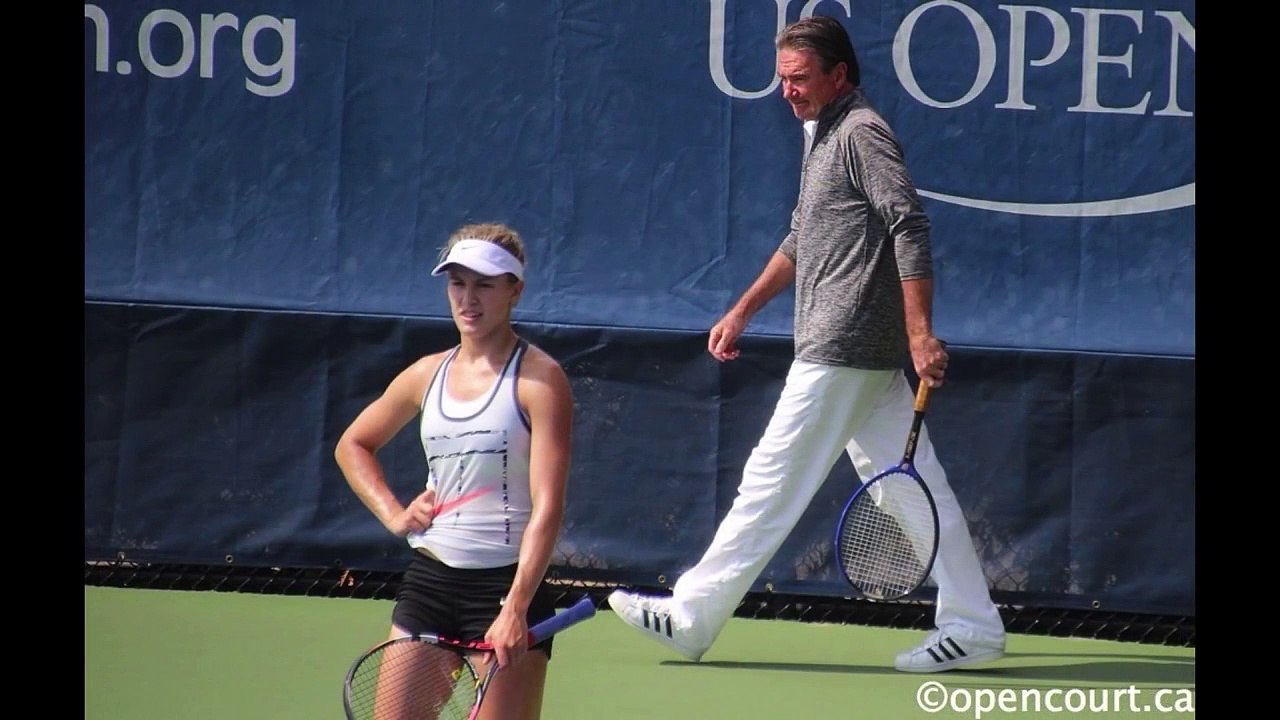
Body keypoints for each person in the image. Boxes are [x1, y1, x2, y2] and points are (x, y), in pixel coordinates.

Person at [607, 16, 1006, 673]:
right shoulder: (821, 133)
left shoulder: (861, 132)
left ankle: (693, 616)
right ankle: (975, 624)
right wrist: (741, 310)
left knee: (769, 480)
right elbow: (802, 237)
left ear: (838, 75)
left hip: (844, 346)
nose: (787, 91)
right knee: (909, 489)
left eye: (799, 79)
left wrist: (918, 333)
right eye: (782, 80)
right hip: (853, 353)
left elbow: (908, 223)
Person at [336, 222, 574, 718]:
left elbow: (547, 506)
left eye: (485, 284)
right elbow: (353, 445)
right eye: (457, 282)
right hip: (430, 585)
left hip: (507, 588)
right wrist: (394, 514)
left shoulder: (541, 380)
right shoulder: (425, 374)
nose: (468, 298)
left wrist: (515, 608)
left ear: (515, 291)